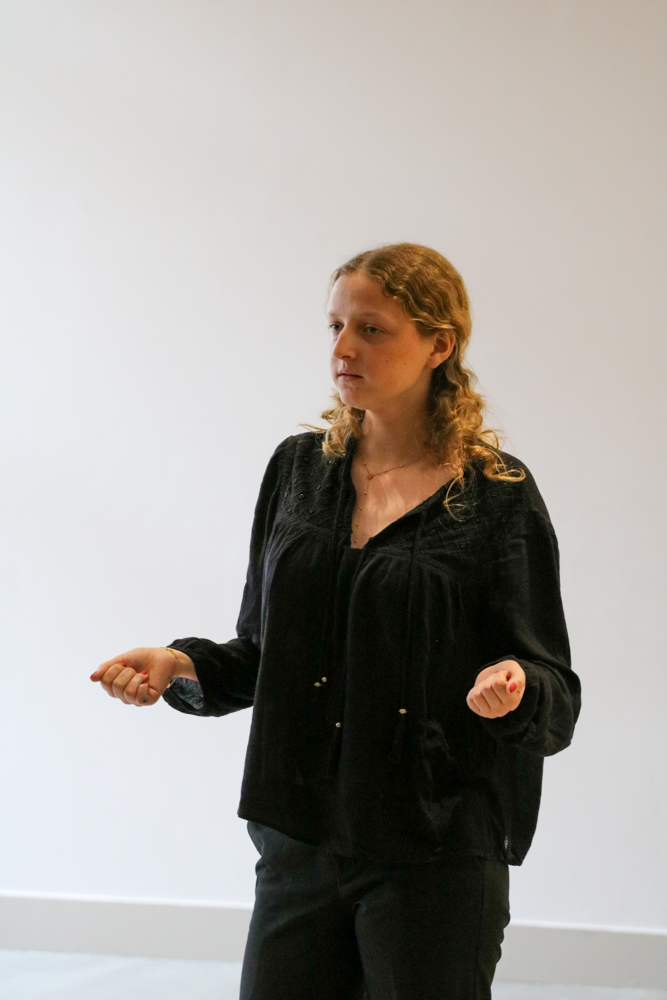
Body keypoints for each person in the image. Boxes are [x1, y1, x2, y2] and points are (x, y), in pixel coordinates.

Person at [90, 243, 581, 1000]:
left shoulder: (498, 495)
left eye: (372, 329)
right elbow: (262, 653)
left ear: (439, 345)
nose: (343, 348)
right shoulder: (297, 470)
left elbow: (554, 690)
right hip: (299, 838)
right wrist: (178, 665)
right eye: (335, 326)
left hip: (433, 848)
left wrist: (515, 686)